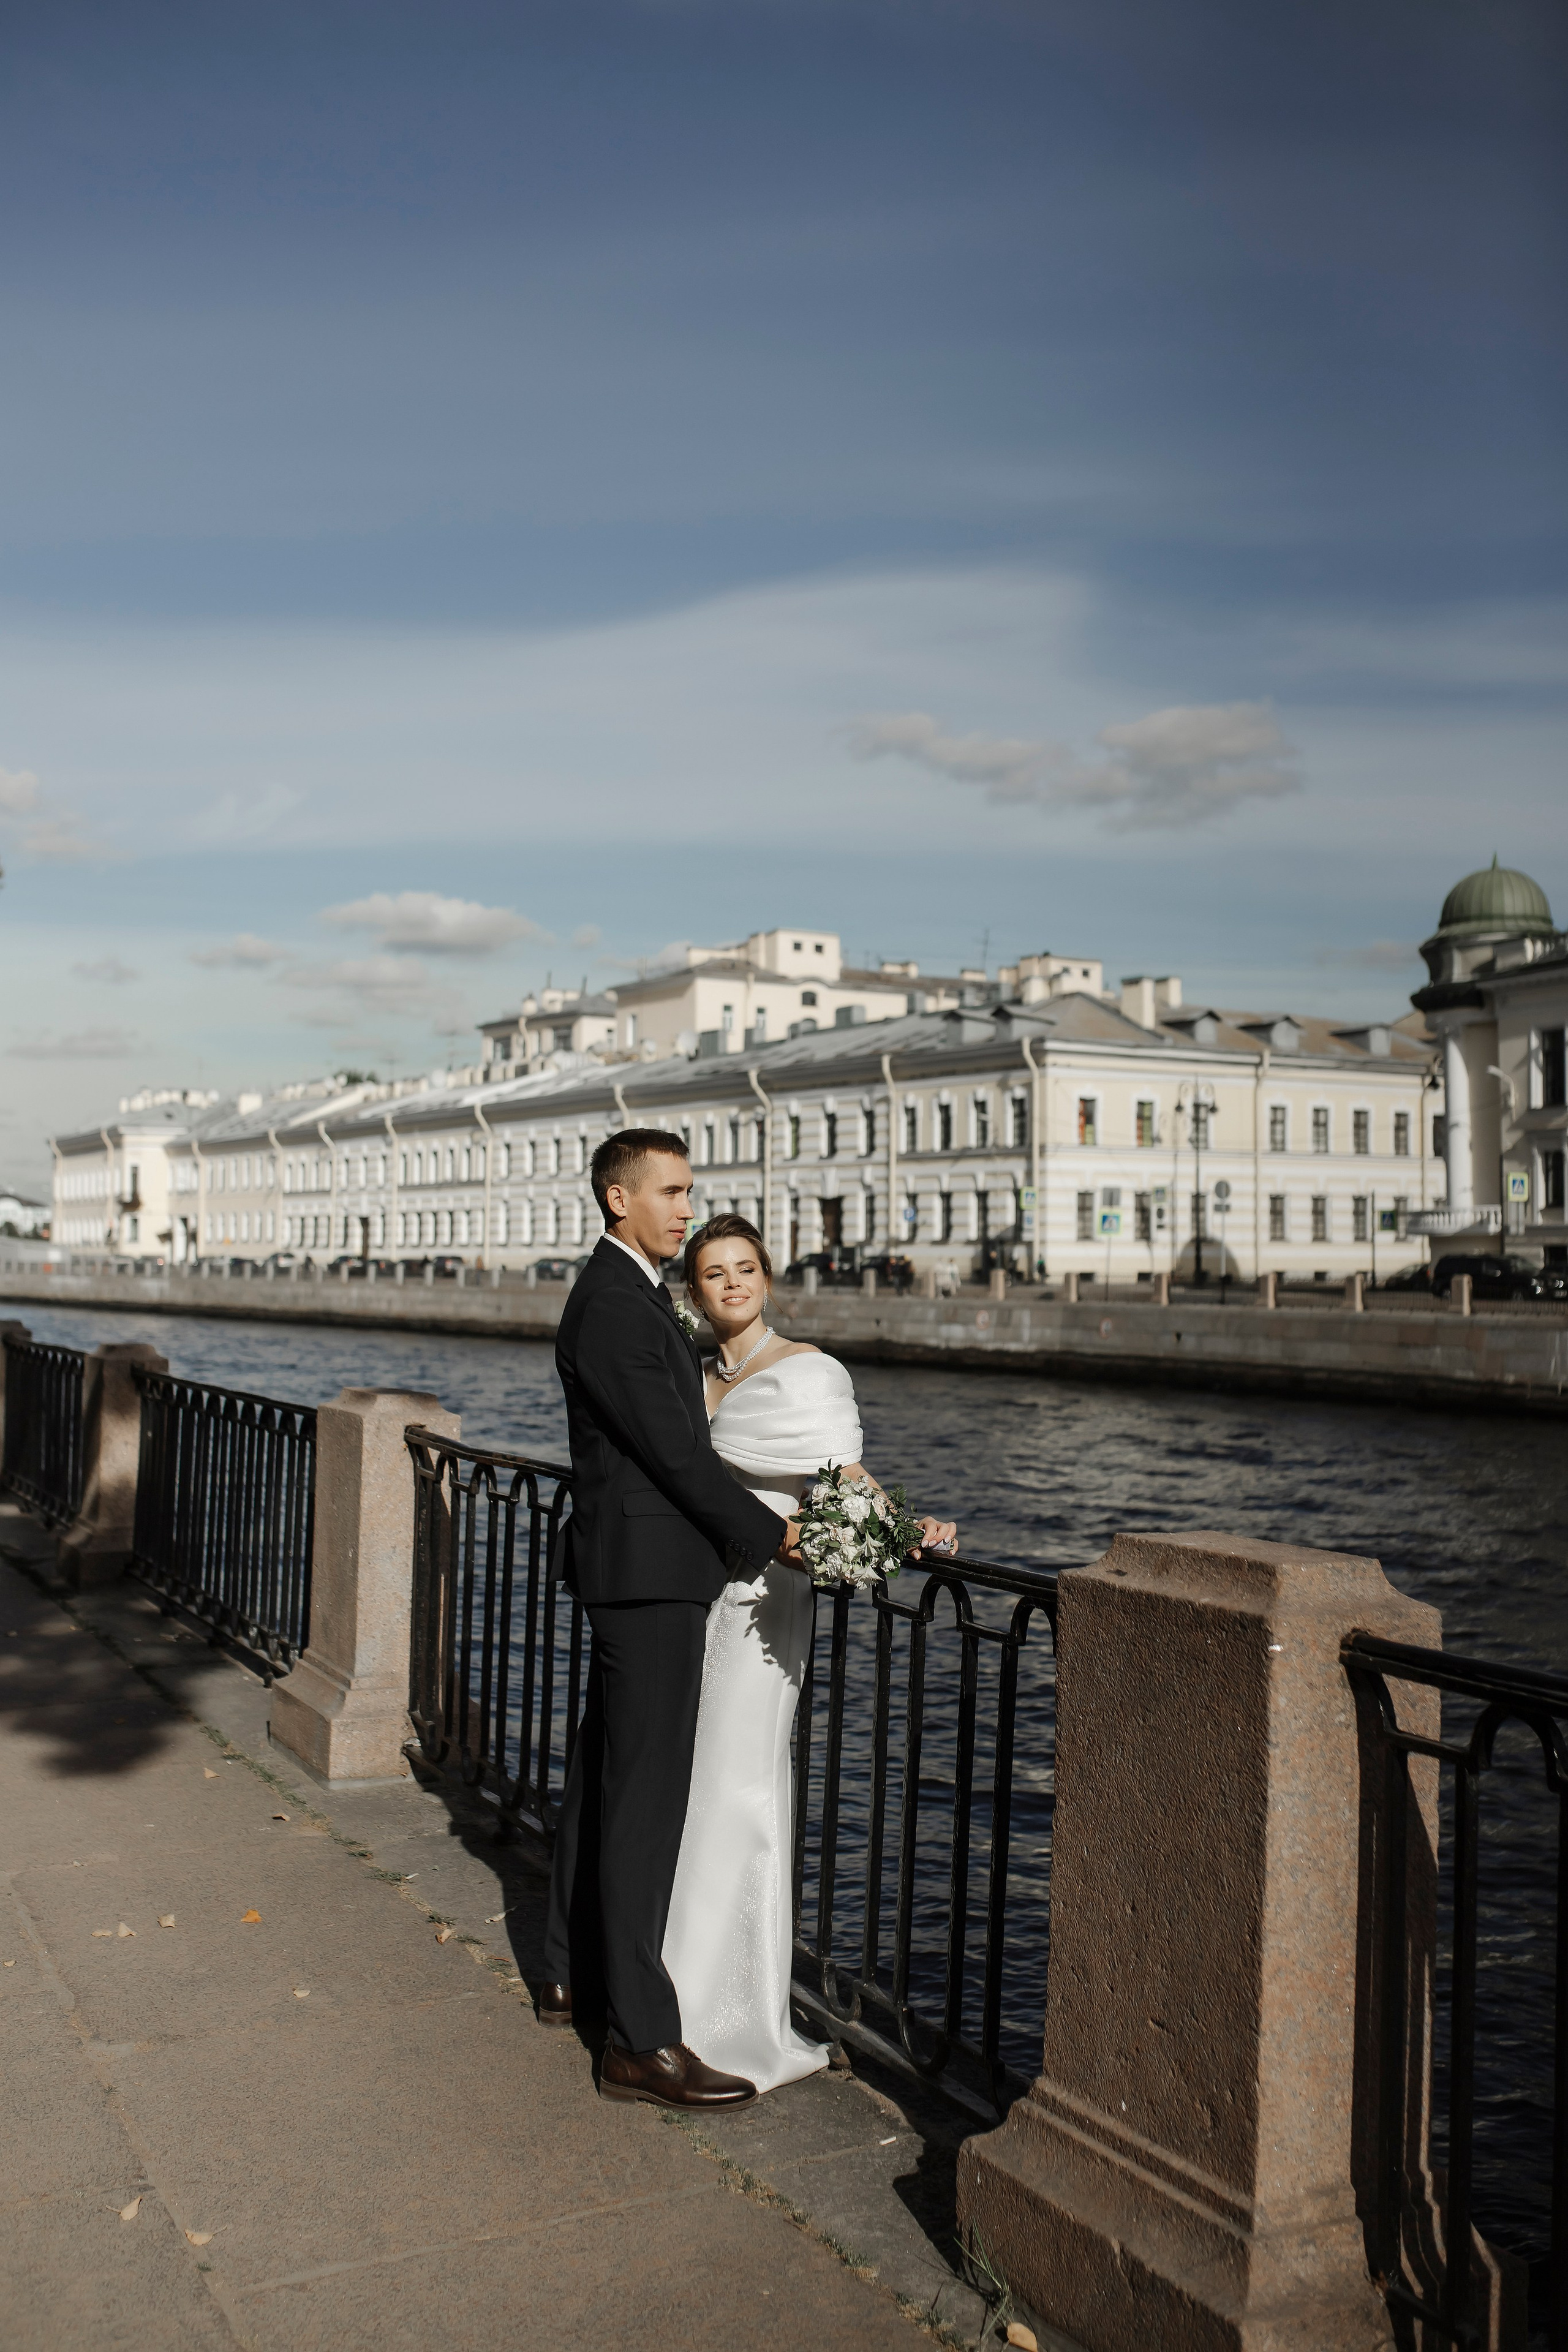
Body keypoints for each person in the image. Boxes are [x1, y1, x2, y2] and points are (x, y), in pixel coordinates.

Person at [661, 1213, 957, 2094]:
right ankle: (663, 1988)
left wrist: (909, 1528)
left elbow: (844, 1478)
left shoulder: (809, 1373)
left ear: (769, 1276)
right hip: (695, 1599)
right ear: (696, 1291)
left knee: (735, 1786)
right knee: (682, 1784)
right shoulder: (698, 1373)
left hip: (760, 1603)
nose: (734, 1285)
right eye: (715, 1274)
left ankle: (724, 2009)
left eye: (746, 1268)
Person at [540, 1133, 801, 2114]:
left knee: (609, 1780)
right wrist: (777, 1536)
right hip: (648, 1577)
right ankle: (641, 2044)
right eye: (673, 1192)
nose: (689, 1209)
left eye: (691, 1192)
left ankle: (570, 1975)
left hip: (636, 1568)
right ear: (620, 1198)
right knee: (645, 1808)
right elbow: (676, 1458)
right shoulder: (613, 1303)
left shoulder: (631, 1290)